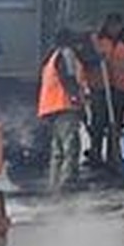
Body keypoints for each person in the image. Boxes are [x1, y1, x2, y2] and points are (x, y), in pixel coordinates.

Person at [38, 29, 87, 195]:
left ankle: (55, 185)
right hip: (64, 105)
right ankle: (68, 183)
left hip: (51, 108)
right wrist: (76, 99)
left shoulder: (51, 56)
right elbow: (69, 77)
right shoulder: (66, 54)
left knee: (57, 149)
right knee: (70, 145)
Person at [85, 12, 124, 176]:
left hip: (120, 87)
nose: (114, 29)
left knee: (117, 122)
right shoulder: (96, 39)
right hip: (100, 86)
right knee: (99, 122)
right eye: (111, 26)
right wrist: (96, 59)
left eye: (117, 26)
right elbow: (86, 59)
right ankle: (95, 154)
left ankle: (113, 155)